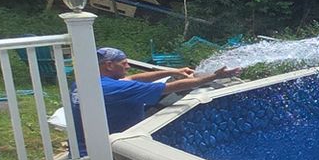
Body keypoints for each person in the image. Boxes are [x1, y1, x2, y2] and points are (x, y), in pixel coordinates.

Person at [91, 46, 242, 135]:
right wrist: (213, 76)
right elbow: (169, 88)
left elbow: (133, 78)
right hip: (113, 148)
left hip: (93, 143)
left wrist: (171, 72)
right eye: (124, 64)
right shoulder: (118, 89)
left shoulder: (86, 84)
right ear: (109, 65)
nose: (128, 67)